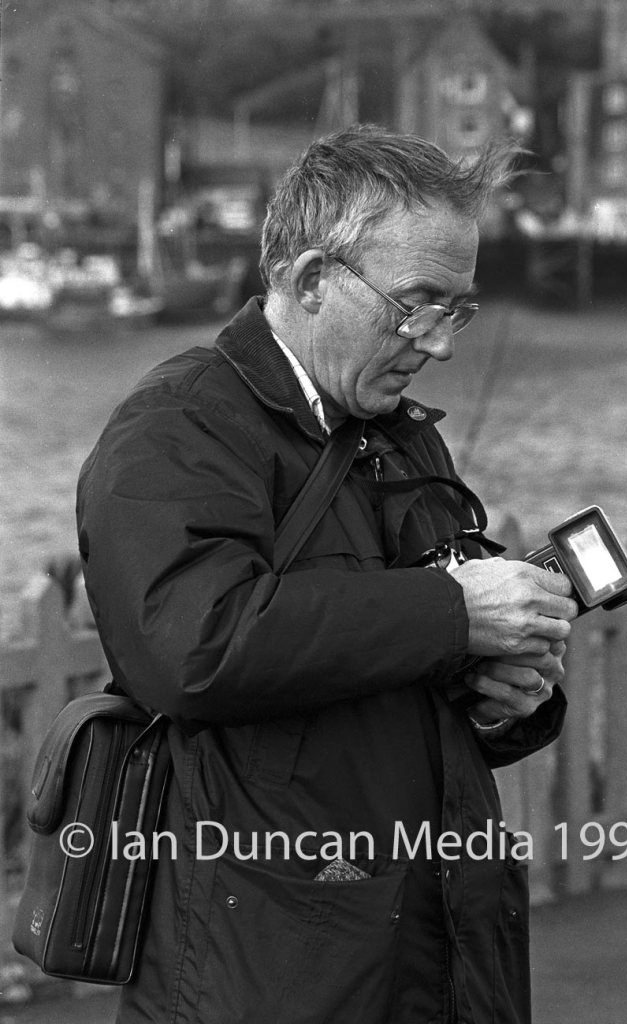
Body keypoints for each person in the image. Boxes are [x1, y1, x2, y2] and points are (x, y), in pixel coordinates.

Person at [76, 125, 577, 1024]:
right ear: (312, 279)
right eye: (416, 304)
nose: (439, 343)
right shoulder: (176, 427)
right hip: (271, 967)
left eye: (456, 310)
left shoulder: (400, 430)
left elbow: (399, 679)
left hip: (440, 948)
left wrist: (502, 699)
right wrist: (451, 613)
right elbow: (193, 649)